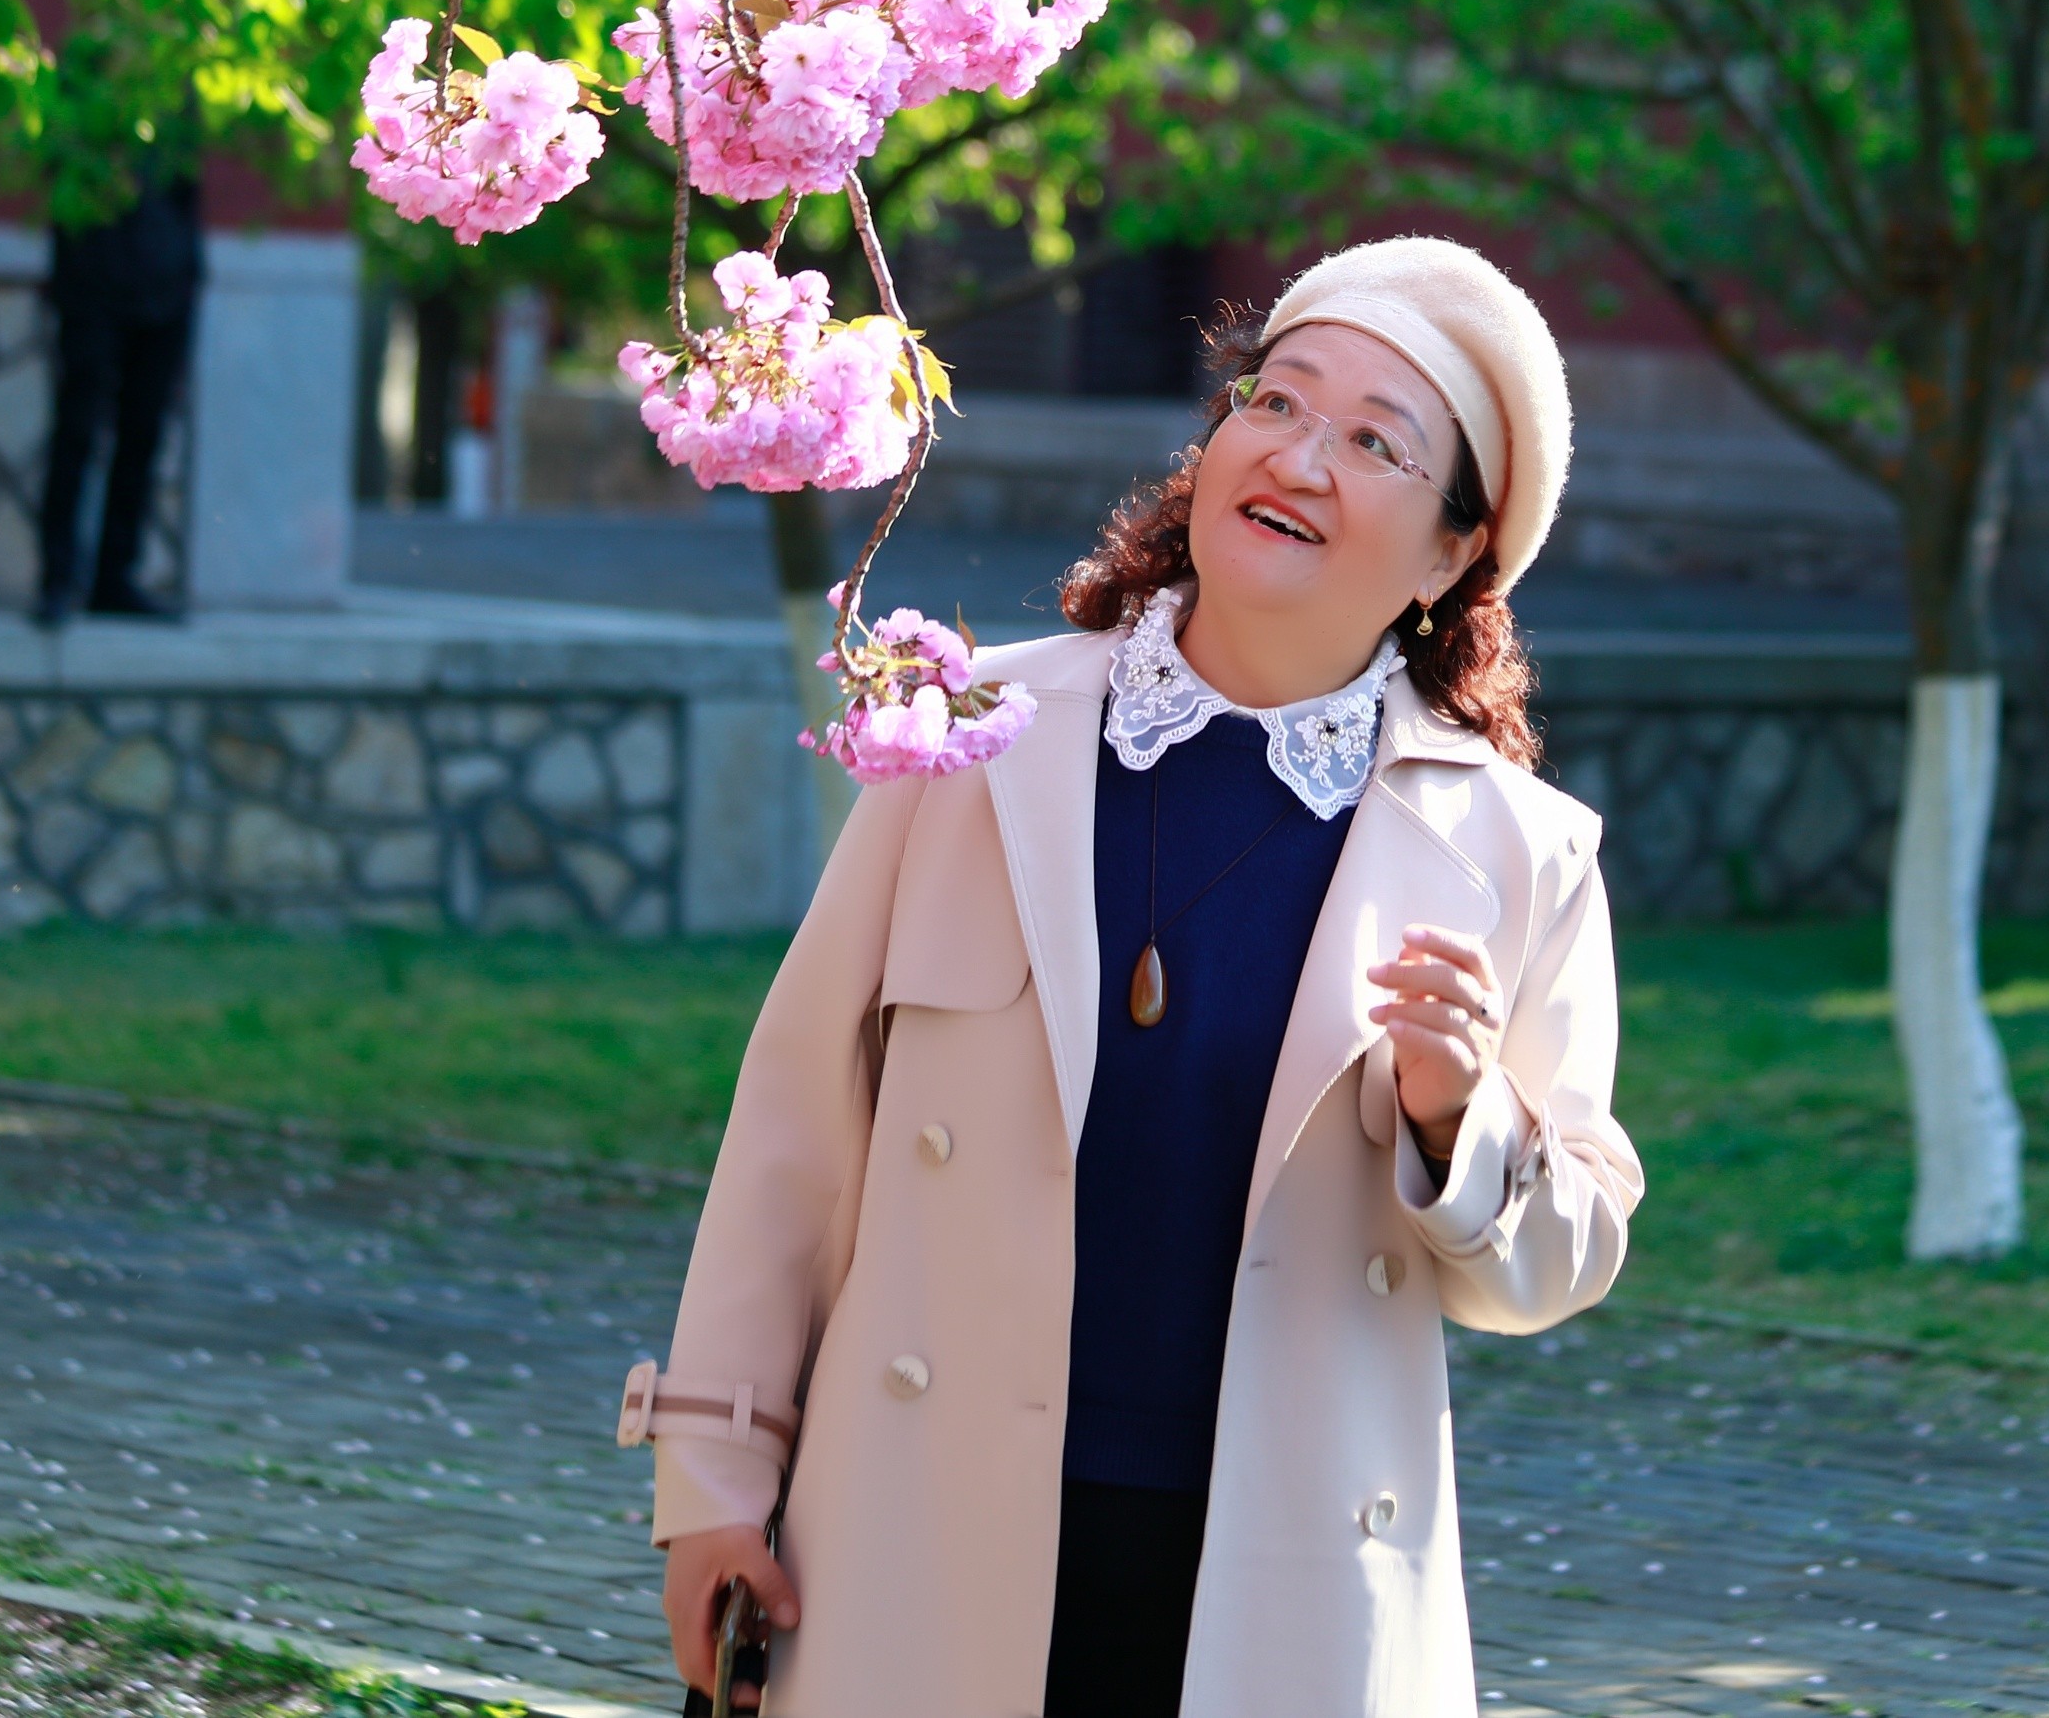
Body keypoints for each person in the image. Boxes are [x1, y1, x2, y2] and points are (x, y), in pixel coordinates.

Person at [620, 236, 1641, 1718]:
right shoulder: (968, 731)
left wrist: (1459, 1117)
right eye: (1273, 401)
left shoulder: (1518, 852)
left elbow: (1557, 1265)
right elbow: (795, 1134)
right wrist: (714, 1475)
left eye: (1375, 441)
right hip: (917, 1527)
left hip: (1284, 1587)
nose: (1297, 456)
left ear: (1449, 555)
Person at [34, 166, 202, 626]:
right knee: (77, 432)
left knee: (142, 435)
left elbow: (187, 191)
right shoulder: (79, 120)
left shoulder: (178, 125)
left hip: (165, 288)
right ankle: (57, 578)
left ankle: (115, 577)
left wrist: (188, 275)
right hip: (92, 283)